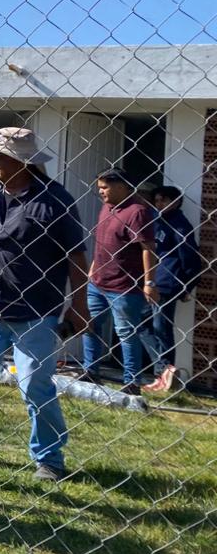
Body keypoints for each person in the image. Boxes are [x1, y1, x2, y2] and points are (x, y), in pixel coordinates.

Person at [0, 127, 89, 483]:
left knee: (34, 385)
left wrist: (79, 304)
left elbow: (77, 256)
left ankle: (49, 459)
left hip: (35, 311)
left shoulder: (55, 200)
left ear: (22, 161)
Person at [81, 169, 156, 396]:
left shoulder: (137, 212)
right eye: (99, 187)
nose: (101, 192)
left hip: (124, 286)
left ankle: (131, 381)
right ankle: (90, 371)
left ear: (122, 186)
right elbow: (103, 242)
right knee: (89, 325)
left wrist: (149, 282)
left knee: (126, 333)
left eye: (105, 187)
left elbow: (148, 248)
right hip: (98, 282)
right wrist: (92, 270)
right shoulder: (107, 208)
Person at [143, 185, 201, 392]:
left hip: (167, 284)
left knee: (161, 328)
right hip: (152, 281)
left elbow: (191, 259)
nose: (159, 204)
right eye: (157, 200)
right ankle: (165, 370)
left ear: (176, 202)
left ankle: (164, 374)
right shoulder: (156, 220)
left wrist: (187, 286)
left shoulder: (179, 225)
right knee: (141, 323)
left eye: (164, 200)